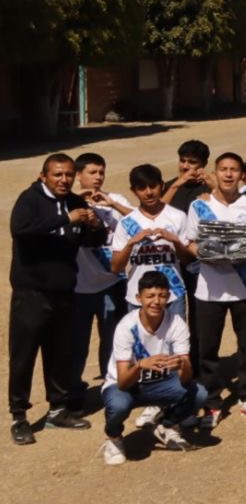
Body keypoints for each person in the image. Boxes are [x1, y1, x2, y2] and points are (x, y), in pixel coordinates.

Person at [10, 153, 98, 444]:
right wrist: (65, 218)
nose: (64, 180)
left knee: (60, 353)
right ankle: (19, 417)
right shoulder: (30, 199)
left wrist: (94, 225)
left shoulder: (76, 202)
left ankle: (58, 410)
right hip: (32, 293)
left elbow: (88, 241)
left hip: (65, 291)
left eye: (69, 175)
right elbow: (20, 230)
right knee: (24, 355)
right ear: (43, 176)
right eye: (57, 174)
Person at [183, 152, 246, 429]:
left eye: (234, 170)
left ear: (241, 175)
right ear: (215, 173)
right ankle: (211, 400)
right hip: (209, 290)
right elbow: (190, 242)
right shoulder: (200, 206)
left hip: (245, 287)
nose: (229, 174)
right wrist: (205, 254)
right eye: (223, 169)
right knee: (207, 348)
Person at [98, 271, 206, 466]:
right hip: (126, 387)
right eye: (150, 296)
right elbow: (122, 382)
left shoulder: (176, 323)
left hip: (160, 383)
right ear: (138, 298)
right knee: (118, 405)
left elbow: (186, 378)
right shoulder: (126, 326)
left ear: (169, 297)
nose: (156, 302)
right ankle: (113, 438)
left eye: (162, 296)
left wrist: (183, 365)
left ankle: (167, 425)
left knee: (199, 394)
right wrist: (140, 365)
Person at [68, 153, 131, 416]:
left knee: (113, 341)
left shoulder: (115, 199)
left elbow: (141, 220)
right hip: (79, 287)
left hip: (113, 284)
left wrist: (111, 205)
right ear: (78, 175)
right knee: (77, 345)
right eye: (92, 172)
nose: (98, 177)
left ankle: (111, 387)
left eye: (101, 172)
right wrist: (76, 203)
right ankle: (73, 395)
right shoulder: (68, 203)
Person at [110, 165, 191, 319]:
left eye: (153, 186)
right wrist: (130, 244)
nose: (148, 192)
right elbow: (115, 267)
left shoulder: (178, 216)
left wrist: (176, 242)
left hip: (173, 295)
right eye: (142, 188)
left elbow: (188, 260)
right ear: (133, 191)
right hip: (138, 297)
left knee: (176, 335)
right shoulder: (126, 222)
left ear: (162, 186)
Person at [165, 140, 211, 211]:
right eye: (182, 161)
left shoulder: (210, 189)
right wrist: (174, 187)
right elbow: (157, 214)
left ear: (204, 164)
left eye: (192, 162)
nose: (185, 166)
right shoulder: (167, 187)